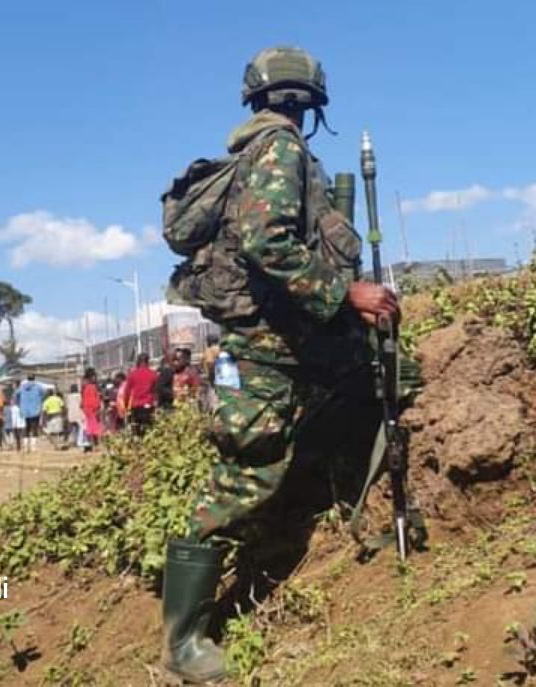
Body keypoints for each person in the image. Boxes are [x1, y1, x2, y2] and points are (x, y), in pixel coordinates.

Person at [157, 47, 399, 683]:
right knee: (245, 474)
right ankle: (183, 642)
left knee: (369, 385)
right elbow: (268, 242)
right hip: (268, 348)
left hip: (293, 342)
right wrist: (346, 293)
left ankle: (358, 518)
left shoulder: (264, 150)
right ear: (313, 102)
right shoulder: (281, 151)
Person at [122, 353, 158, 435]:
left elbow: (127, 392)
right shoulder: (153, 374)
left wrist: (126, 405)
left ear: (138, 362)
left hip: (136, 407)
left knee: (136, 432)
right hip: (148, 406)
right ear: (147, 362)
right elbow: (155, 391)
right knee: (150, 430)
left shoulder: (132, 374)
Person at [16, 374, 45, 451]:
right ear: (34, 378)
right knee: (34, 428)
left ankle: (25, 447)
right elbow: (43, 393)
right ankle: (33, 447)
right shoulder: (38, 386)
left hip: (24, 410)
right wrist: (39, 400)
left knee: (26, 428)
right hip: (35, 409)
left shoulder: (22, 387)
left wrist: (19, 404)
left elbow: (16, 395)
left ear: (27, 378)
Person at [81, 368, 102, 451]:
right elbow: (94, 400)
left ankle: (91, 444)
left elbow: (84, 400)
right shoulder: (91, 387)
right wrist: (97, 408)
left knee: (90, 428)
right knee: (94, 429)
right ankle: (94, 445)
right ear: (91, 377)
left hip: (87, 410)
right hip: (92, 410)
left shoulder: (85, 386)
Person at [65, 383, 86, 449]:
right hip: (78, 413)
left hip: (71, 413)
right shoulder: (78, 395)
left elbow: (67, 406)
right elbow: (81, 404)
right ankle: (79, 441)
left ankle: (73, 441)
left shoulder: (68, 396)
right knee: (81, 428)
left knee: (73, 428)